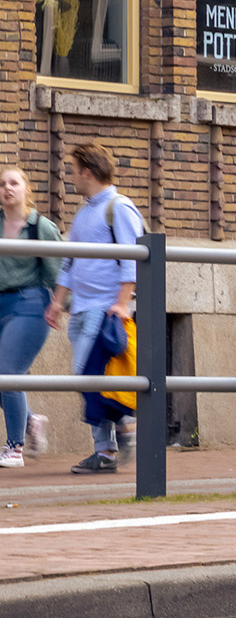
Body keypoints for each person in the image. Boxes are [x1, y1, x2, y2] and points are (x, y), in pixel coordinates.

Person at [44, 143, 145, 474]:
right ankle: (111, 444)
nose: (71, 177)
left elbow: (133, 258)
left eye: (73, 170)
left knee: (91, 380)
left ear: (87, 172)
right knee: (86, 379)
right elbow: (70, 262)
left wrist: (122, 302)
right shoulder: (84, 212)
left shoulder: (119, 208)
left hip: (105, 311)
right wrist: (58, 302)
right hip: (80, 310)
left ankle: (114, 440)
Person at [0, 168, 60, 467]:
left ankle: (15, 448)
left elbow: (58, 272)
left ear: (26, 189)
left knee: (8, 371)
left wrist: (61, 305)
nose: (7, 188)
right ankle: (31, 420)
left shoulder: (41, 227)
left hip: (29, 305)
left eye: (14, 183)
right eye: (2, 184)